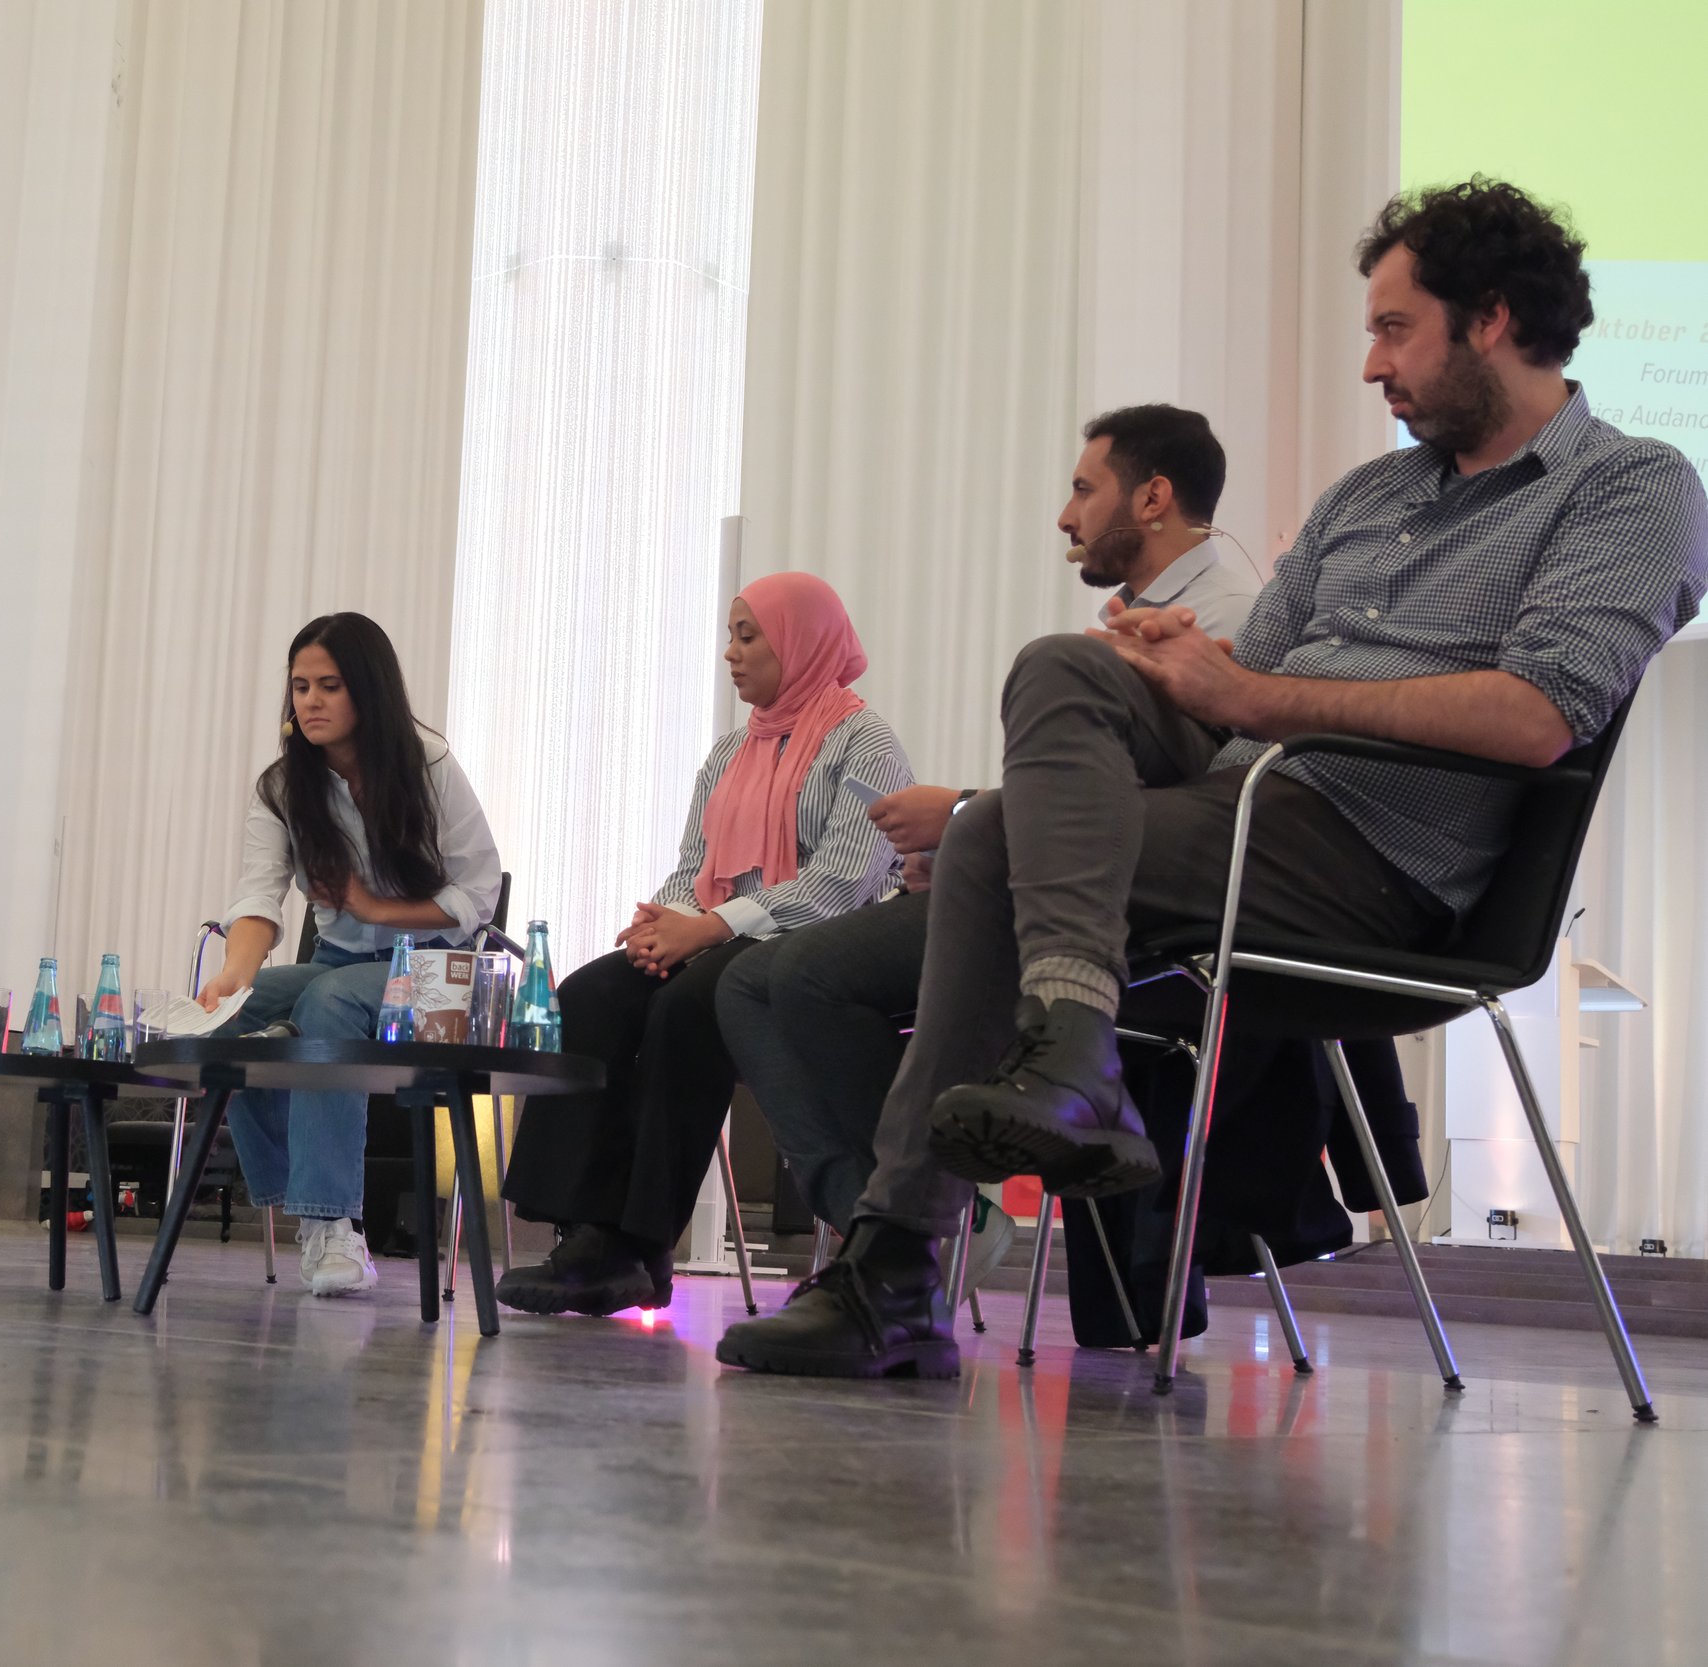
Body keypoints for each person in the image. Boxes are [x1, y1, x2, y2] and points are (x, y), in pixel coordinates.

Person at [718, 178, 1708, 1380]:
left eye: (1394, 329)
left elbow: (1540, 713)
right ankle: (1064, 1065)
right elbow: (1260, 670)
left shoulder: (1630, 486)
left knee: (987, 842)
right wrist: (1185, 662)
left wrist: (1249, 694)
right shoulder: (1370, 496)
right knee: (1057, 676)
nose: (1370, 365)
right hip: (1244, 805)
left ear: (1490, 318)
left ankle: (899, 1266)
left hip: (1384, 860)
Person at [716, 406, 1256, 1238]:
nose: (1066, 516)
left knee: (784, 979)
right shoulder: (1140, 619)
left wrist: (967, 817)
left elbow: (1172, 806)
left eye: (1084, 489)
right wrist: (971, 837)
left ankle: (909, 1232)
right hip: (1038, 885)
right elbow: (1084, 794)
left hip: (1114, 913)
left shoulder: (1225, 621)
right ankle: (891, 1228)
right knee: (748, 983)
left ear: (1153, 498)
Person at [494, 573, 912, 1316]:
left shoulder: (865, 741)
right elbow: (693, 869)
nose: (731, 652)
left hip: (806, 952)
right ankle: (585, 1229)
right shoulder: (729, 753)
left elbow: (843, 883)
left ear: (801, 640)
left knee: (687, 1006)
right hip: (714, 937)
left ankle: (641, 1242)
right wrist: (667, 927)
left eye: (749, 636)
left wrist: (712, 927)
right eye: (731, 634)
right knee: (591, 995)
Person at [199, 612, 503, 1298]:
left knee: (326, 1002)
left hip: (439, 973)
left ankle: (335, 1220)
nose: (309, 701)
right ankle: (300, 1203)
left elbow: (479, 889)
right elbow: (258, 896)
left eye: (329, 685)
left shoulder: (428, 765)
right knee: (228, 1018)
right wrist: (234, 976)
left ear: (367, 690)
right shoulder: (282, 787)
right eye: (300, 685)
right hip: (342, 965)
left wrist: (374, 908)